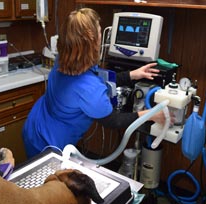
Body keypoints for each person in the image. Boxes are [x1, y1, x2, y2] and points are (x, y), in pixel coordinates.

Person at [22, 8, 173, 159]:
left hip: (34, 126)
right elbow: (113, 120)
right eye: (100, 33)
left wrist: (132, 75)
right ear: (92, 42)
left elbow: (97, 80)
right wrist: (150, 114)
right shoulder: (88, 87)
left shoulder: (64, 59)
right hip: (50, 145)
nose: (102, 37)